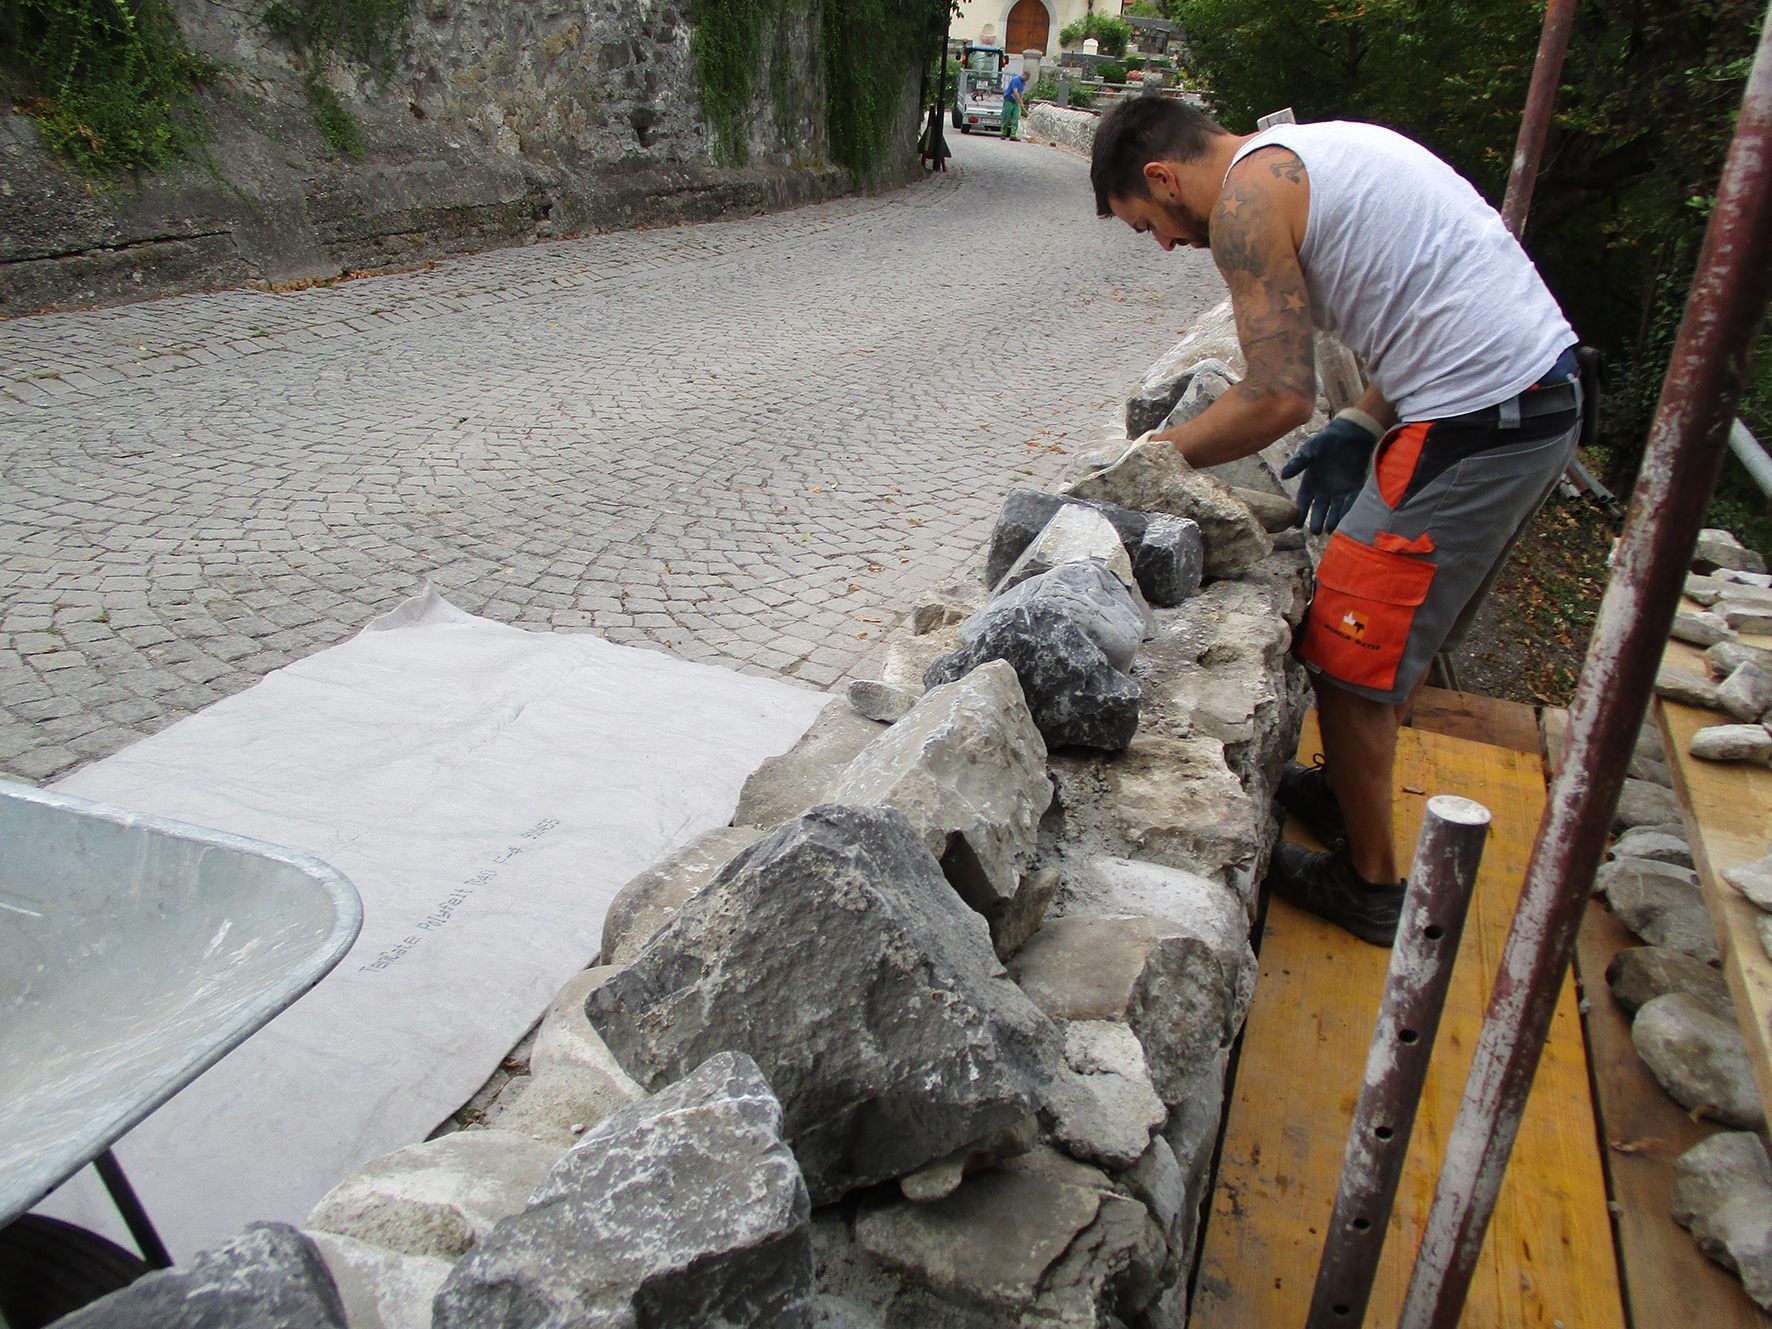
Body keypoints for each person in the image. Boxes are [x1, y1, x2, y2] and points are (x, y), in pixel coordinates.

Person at [1091, 98, 1581, 947]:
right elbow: (1432, 299)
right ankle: (1346, 795)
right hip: (1525, 394)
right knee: (1382, 634)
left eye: (1150, 227)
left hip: (1483, 416)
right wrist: (1363, 420)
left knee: (1349, 654)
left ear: (1163, 178)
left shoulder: (1245, 203)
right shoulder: (1312, 154)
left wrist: (1151, 459)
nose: (1168, 246)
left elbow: (1277, 394)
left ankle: (1372, 886)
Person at [1002, 69, 1028, 140]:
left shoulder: (1023, 82)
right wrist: (1020, 102)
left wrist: (1021, 102)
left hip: (1016, 102)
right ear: (1023, 75)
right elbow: (1015, 92)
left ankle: (1013, 135)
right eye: (1026, 78)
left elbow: (1021, 92)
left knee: (1015, 118)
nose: (1025, 80)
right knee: (1006, 117)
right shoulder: (1015, 80)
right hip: (1009, 100)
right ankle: (1003, 133)